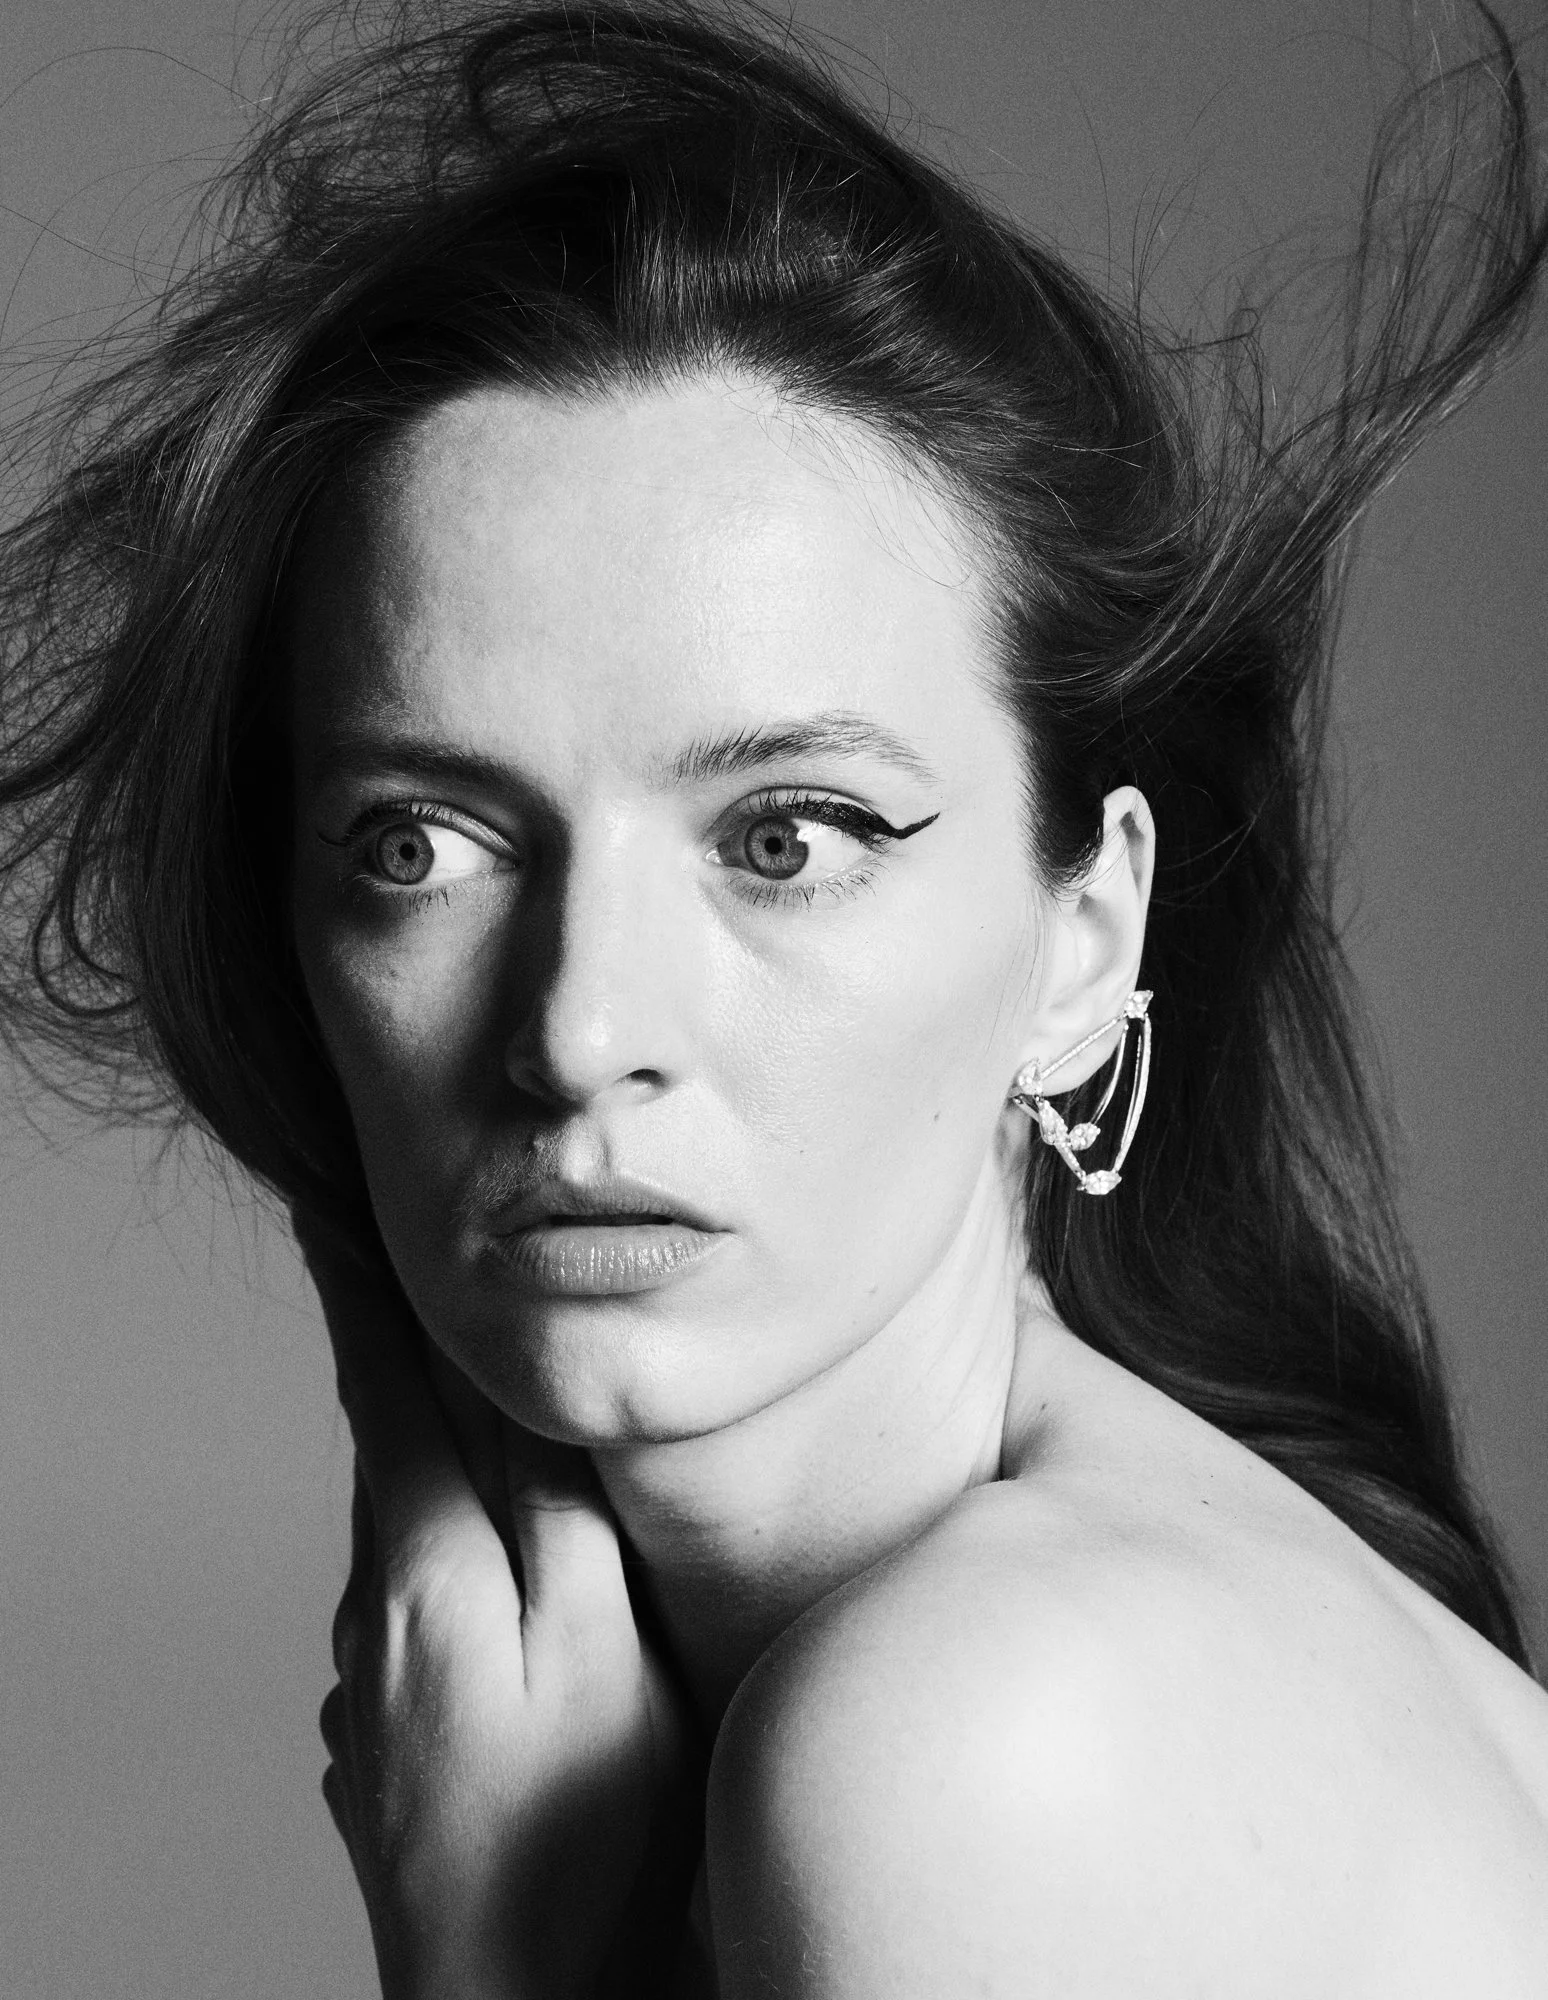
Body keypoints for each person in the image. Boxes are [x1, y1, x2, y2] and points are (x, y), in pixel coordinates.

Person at [2, 0, 1546, 1991]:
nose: (575, 1027)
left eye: (788, 835)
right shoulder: (1116, 1625)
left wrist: (498, 1968)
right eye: (421, 844)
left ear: (1086, 938)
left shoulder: (984, 1744)